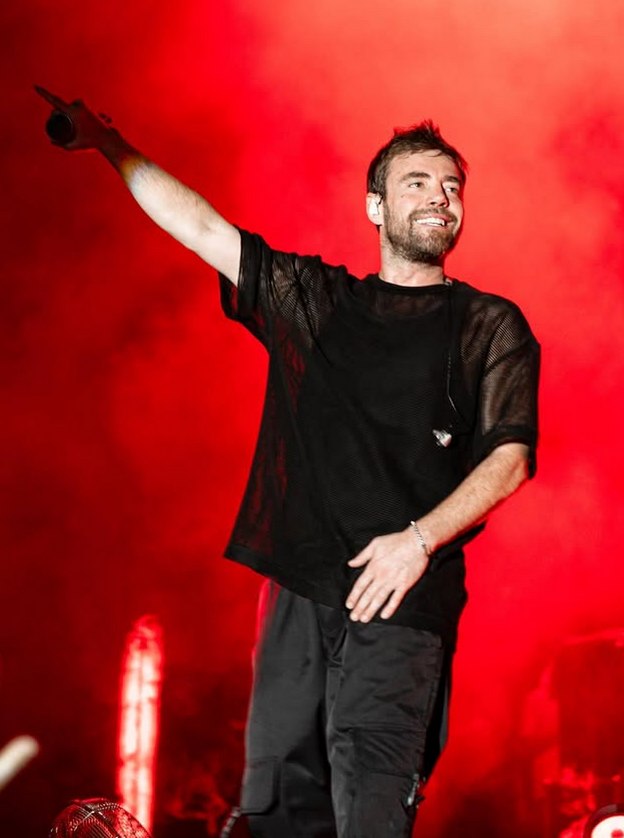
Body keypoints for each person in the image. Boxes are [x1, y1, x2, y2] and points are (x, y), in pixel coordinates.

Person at [35, 86, 540, 838]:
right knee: (277, 811)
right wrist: (109, 144)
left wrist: (418, 542)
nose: (441, 197)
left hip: (402, 600)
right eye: (418, 182)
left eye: (452, 186)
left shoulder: (488, 325)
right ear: (375, 208)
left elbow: (510, 458)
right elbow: (202, 228)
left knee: (369, 807)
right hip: (297, 595)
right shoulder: (318, 302)